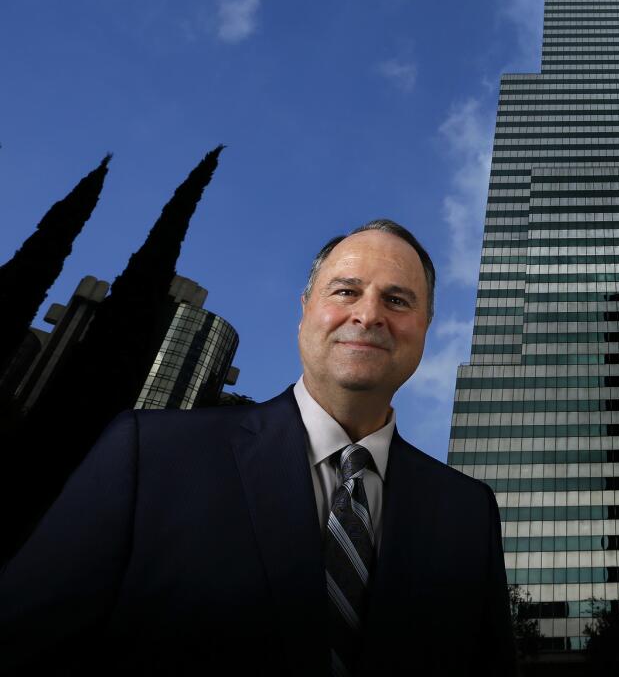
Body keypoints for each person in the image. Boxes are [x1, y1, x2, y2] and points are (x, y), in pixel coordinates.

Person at [0, 220, 515, 676]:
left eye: (397, 300)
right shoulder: (149, 455)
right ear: (305, 310)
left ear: (425, 328)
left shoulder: (468, 511)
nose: (368, 314)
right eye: (345, 291)